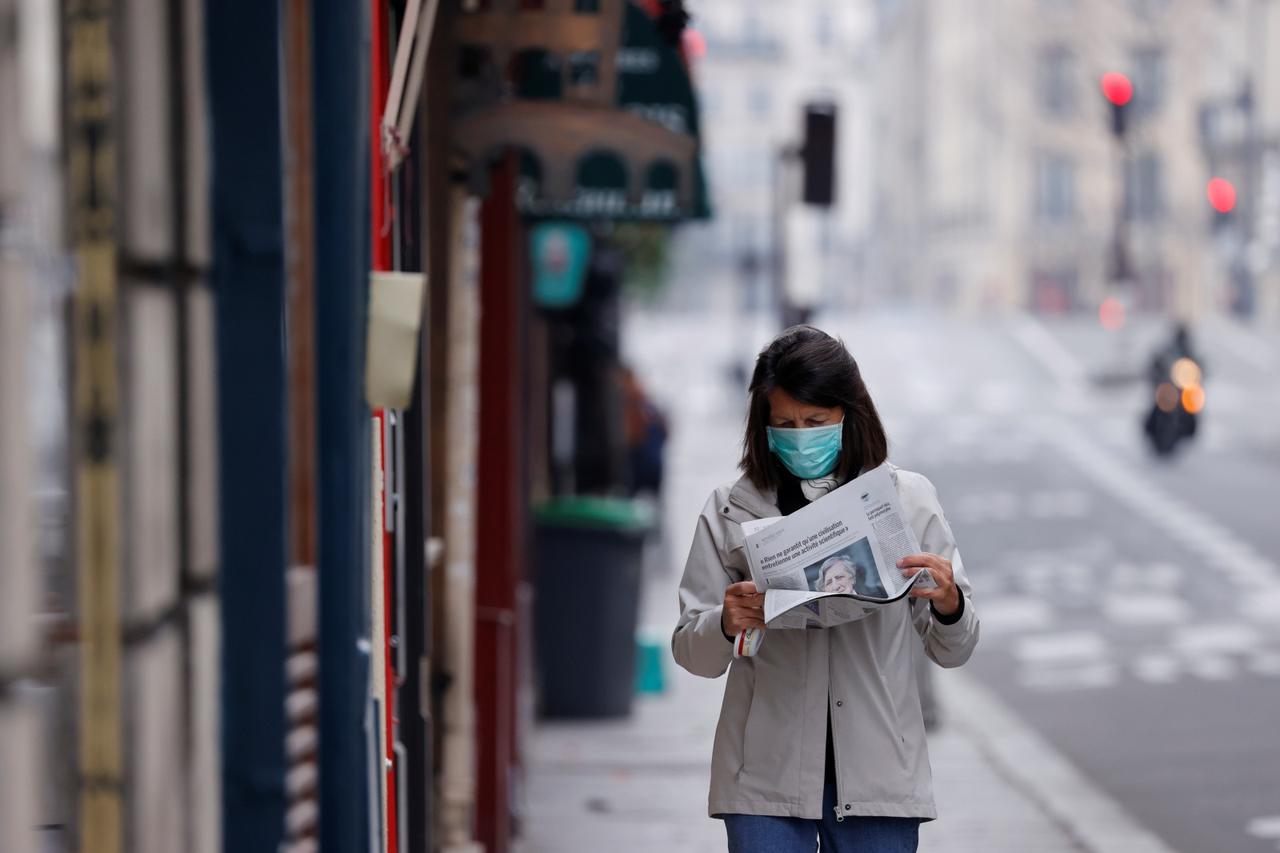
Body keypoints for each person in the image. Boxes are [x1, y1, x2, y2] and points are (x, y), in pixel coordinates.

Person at [672, 325, 980, 853]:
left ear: (849, 415)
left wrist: (950, 605)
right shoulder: (730, 509)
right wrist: (724, 624)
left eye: (815, 422)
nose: (800, 435)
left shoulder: (908, 500)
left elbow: (955, 649)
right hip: (763, 777)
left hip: (879, 774)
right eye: (785, 424)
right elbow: (690, 652)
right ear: (763, 425)